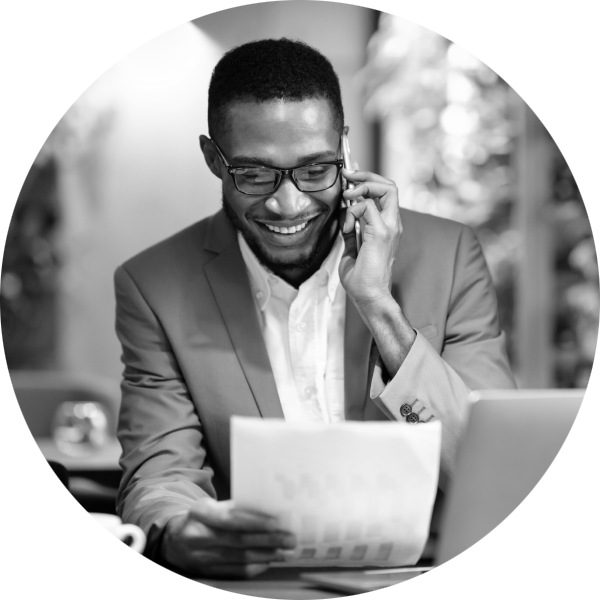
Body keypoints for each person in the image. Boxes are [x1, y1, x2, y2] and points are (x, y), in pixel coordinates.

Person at [114, 38, 515, 578]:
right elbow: (159, 476)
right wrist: (182, 530)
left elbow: (497, 473)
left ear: (344, 150)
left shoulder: (449, 257)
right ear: (214, 159)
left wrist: (379, 307)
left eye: (315, 169)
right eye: (254, 174)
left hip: (429, 581)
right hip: (259, 587)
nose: (289, 203)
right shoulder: (153, 286)